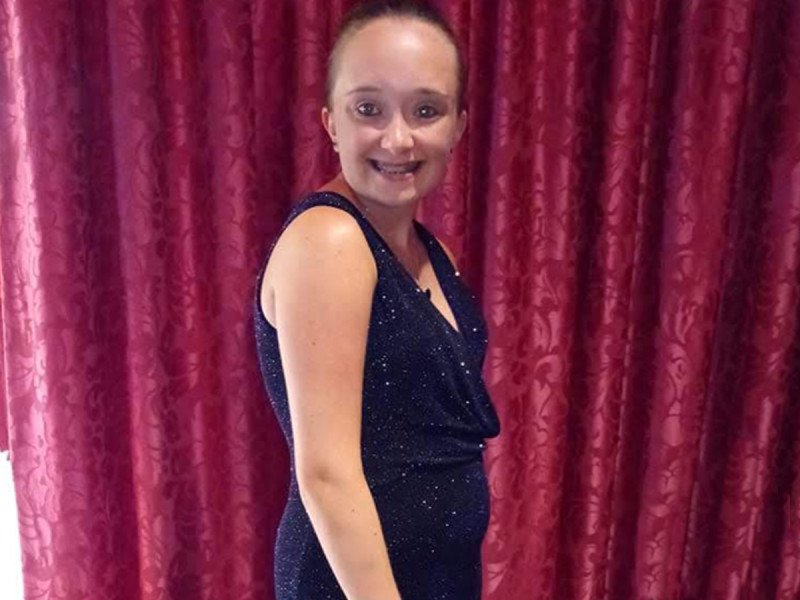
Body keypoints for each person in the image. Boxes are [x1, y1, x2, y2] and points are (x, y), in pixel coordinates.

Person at [253, 1, 501, 599]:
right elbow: (327, 475)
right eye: (369, 109)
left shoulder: (430, 250)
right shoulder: (330, 240)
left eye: (425, 110)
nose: (398, 137)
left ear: (458, 126)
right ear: (331, 122)